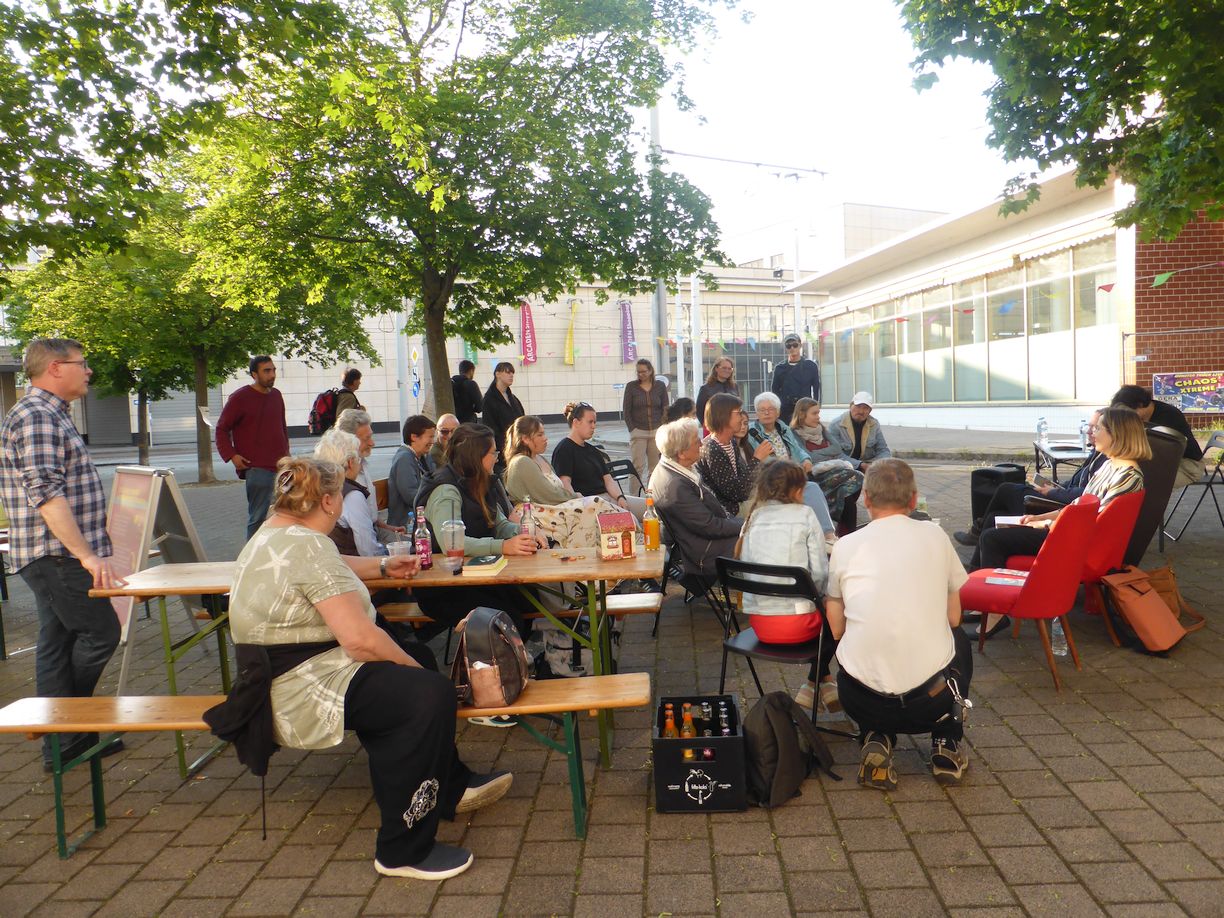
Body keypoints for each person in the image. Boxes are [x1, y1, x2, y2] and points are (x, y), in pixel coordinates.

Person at [225, 456, 511, 880]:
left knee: (418, 660)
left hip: (279, 674)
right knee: (426, 693)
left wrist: (381, 566)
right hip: (300, 686)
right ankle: (403, 850)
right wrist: (416, 675)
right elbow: (359, 640)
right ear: (328, 501)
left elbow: (334, 564)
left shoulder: (274, 533)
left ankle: (449, 785)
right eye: (340, 492)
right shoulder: (309, 545)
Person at [0, 338, 124, 770]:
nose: (88, 371)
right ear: (55, 367)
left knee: (57, 642)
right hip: (55, 555)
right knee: (101, 634)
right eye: (82, 363)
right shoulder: (37, 416)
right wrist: (86, 555)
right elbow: (47, 495)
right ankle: (68, 728)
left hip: (53, 554)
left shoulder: (51, 413)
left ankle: (65, 740)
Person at [824, 459, 973, 790]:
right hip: (930, 701)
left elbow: (835, 628)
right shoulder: (935, 536)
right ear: (913, 499)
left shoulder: (846, 545)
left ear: (865, 498)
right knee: (959, 640)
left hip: (860, 699)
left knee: (864, 649)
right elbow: (953, 618)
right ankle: (947, 742)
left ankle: (876, 735)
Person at [971, 406, 1150, 639]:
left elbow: (1093, 521)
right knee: (996, 522)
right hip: (1072, 536)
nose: (1092, 433)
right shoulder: (1112, 466)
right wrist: (1040, 518)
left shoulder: (1126, 476)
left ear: (1117, 434)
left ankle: (994, 612)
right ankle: (985, 601)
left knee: (993, 539)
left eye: (1098, 428)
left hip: (1075, 544)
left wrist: (1045, 525)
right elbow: (1079, 506)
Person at [415, 424, 545, 639]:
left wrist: (525, 532)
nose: (496, 458)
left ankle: (512, 655)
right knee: (507, 617)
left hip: (474, 576)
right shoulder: (446, 490)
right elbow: (451, 544)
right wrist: (503, 546)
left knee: (528, 599)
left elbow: (500, 524)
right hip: (442, 587)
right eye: (493, 453)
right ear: (476, 457)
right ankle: (495, 658)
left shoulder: (479, 480)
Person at [737, 461, 840, 714]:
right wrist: (825, 597)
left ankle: (820, 683)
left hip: (760, 625)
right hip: (799, 625)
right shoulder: (805, 515)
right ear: (798, 490)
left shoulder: (753, 517)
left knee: (827, 605)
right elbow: (819, 574)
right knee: (838, 607)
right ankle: (816, 682)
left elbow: (745, 567)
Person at [954, 408, 1107, 546]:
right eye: (1090, 427)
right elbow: (1078, 482)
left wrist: (1053, 492)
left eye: (1095, 428)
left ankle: (978, 531)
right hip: (1063, 498)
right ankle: (977, 556)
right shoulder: (1096, 453)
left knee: (1007, 489)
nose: (1089, 432)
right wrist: (1057, 486)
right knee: (994, 515)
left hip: (1062, 505)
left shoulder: (1107, 462)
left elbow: (1086, 494)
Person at [503, 416, 619, 547]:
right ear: (525, 439)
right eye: (540, 435)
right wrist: (575, 496)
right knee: (595, 504)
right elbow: (548, 494)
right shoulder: (522, 462)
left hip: (552, 508)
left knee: (596, 509)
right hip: (537, 513)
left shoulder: (539, 458)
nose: (545, 438)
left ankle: (624, 533)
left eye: (544, 433)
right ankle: (628, 531)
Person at [648, 419, 743, 579]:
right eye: (696, 441)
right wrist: (746, 525)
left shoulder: (672, 467)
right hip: (705, 553)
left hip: (706, 538)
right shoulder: (675, 487)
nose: (701, 443)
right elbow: (711, 527)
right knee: (765, 538)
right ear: (682, 453)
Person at [215, 355, 290, 539]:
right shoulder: (240, 397)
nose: (272, 374)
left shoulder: (276, 395)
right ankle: (252, 555)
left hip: (282, 468)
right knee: (258, 518)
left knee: (284, 516)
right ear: (254, 374)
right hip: (257, 469)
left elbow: (282, 428)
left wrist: (287, 456)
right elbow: (221, 429)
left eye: (273, 370)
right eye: (267, 371)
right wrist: (231, 455)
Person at [552, 402, 647, 518]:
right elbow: (565, 484)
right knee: (630, 519)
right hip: (589, 505)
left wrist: (620, 497)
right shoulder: (564, 450)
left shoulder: (593, 450)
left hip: (609, 498)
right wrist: (580, 506)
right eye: (590, 422)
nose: (593, 426)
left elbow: (608, 480)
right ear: (576, 422)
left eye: (595, 422)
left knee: (651, 507)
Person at [790, 398, 864, 533]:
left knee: (847, 495)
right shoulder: (793, 433)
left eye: (818, 413)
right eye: (814, 413)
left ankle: (845, 533)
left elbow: (837, 449)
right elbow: (808, 456)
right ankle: (845, 532)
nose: (818, 417)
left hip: (833, 473)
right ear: (802, 414)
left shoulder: (822, 429)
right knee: (852, 478)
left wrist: (819, 454)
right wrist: (828, 455)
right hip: (815, 476)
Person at [1111, 384, 1204, 487]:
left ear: (1140, 405)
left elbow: (1157, 454)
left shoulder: (1168, 417)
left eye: (1128, 413)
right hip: (1166, 463)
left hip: (1188, 466)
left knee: (1144, 484)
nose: (1126, 417)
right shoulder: (1141, 417)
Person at [696, 393, 769, 518]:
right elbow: (736, 493)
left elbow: (742, 480)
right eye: (739, 413)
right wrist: (756, 459)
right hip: (727, 510)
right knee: (774, 506)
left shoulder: (731, 442)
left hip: (738, 502)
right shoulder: (712, 449)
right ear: (724, 416)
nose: (742, 417)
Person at [336, 408, 404, 540]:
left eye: (371, 436)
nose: (372, 443)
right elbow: (364, 542)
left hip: (374, 530)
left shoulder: (362, 463)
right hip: (357, 541)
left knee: (418, 544)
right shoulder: (342, 475)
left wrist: (386, 526)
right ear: (348, 441)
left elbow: (369, 514)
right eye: (367, 438)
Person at [315, 429, 385, 558]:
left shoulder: (317, 487)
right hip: (347, 565)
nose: (360, 464)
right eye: (358, 459)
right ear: (350, 462)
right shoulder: (351, 495)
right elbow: (368, 549)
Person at [622, 358, 670, 482]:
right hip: (638, 431)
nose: (640, 374)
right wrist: (632, 429)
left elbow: (665, 407)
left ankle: (651, 493)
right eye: (638, 372)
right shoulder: (631, 387)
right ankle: (635, 493)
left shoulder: (660, 386)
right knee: (637, 467)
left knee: (655, 468)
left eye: (643, 371)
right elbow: (626, 410)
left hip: (656, 431)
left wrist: (663, 426)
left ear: (650, 371)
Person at [387, 415, 437, 528]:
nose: (432, 441)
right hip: (404, 525)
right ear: (414, 437)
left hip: (418, 521)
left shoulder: (422, 456)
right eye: (430, 437)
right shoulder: (404, 459)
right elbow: (412, 496)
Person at [827, 392, 891, 471]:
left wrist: (878, 464)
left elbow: (883, 449)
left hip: (869, 464)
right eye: (858, 406)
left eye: (865, 408)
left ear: (870, 411)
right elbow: (835, 454)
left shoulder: (874, 424)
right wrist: (860, 465)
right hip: (845, 466)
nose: (861, 411)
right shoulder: (836, 425)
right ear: (850, 406)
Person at [481, 362, 524, 471]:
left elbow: (522, 420)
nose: (511, 375)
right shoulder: (489, 400)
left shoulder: (513, 398)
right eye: (508, 372)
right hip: (502, 452)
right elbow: (490, 428)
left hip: (518, 447)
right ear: (498, 374)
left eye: (512, 373)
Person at [770, 332, 821, 421]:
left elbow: (817, 388)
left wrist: (816, 407)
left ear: (800, 345)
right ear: (785, 348)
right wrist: (777, 409)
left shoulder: (811, 366)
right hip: (785, 411)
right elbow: (775, 391)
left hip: (805, 409)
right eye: (788, 346)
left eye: (795, 345)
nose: (792, 348)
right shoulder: (779, 368)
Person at [695, 357, 737, 432]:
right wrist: (708, 425)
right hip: (713, 428)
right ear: (716, 368)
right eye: (724, 368)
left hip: (732, 426)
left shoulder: (734, 387)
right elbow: (699, 411)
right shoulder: (706, 388)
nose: (727, 370)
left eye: (729, 368)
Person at [450, 359, 484, 424]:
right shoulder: (471, 384)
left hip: (453, 421)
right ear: (471, 371)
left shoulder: (451, 383)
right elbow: (480, 407)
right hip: (468, 421)